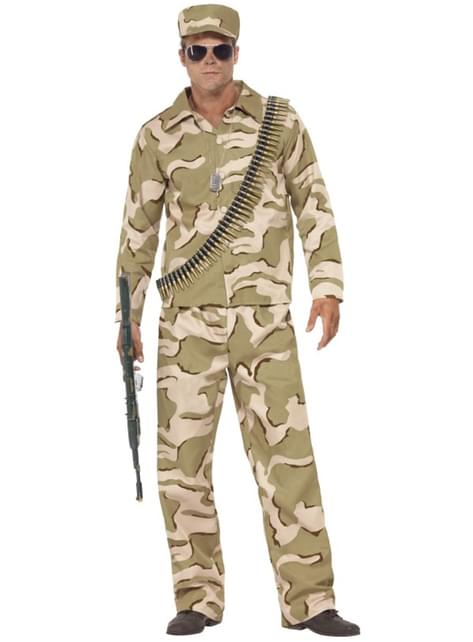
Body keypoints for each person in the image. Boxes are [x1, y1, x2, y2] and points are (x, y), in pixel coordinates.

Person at [114, 3, 360, 637]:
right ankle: (197, 598)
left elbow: (314, 203)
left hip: (264, 321)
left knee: (289, 460)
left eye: (219, 50)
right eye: (197, 51)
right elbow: (138, 234)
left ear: (236, 54)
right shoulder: (156, 136)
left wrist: (328, 287)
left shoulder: (279, 121)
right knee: (183, 466)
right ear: (181, 57)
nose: (209, 61)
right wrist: (127, 317)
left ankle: (311, 602)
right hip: (187, 325)